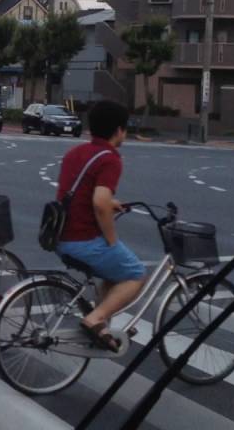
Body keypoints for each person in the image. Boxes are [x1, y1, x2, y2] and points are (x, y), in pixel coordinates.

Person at [55, 100, 143, 351]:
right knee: (135, 273)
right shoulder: (110, 159)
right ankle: (95, 318)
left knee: (113, 271)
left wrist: (110, 202)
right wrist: (112, 239)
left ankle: (101, 329)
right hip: (83, 240)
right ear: (118, 130)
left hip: (61, 238)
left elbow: (80, 194)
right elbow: (99, 203)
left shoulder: (76, 153)